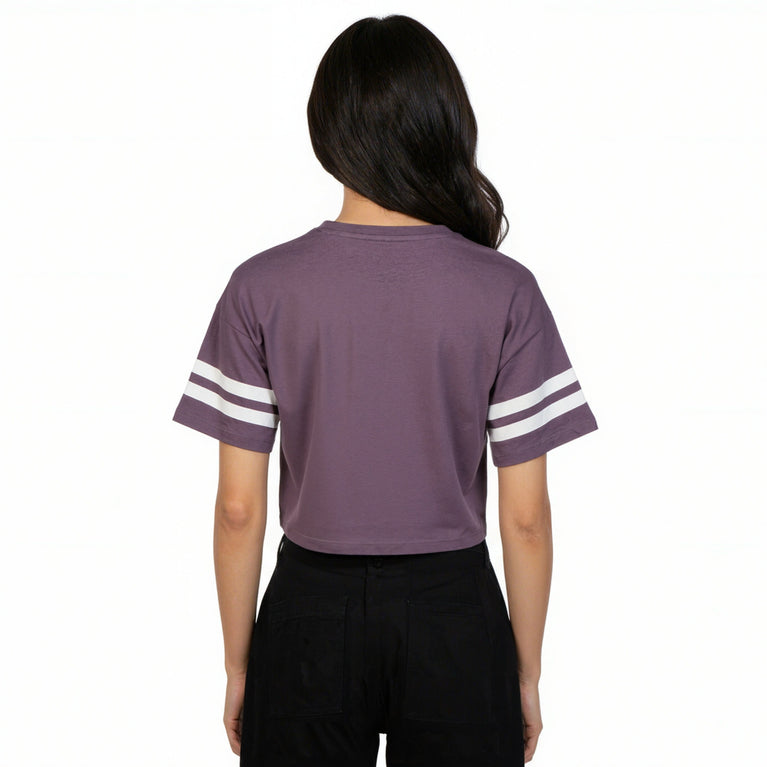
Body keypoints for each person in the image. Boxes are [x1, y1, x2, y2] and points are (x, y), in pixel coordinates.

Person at [171, 14, 598, 767]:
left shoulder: (259, 287)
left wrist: (239, 665)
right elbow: (526, 518)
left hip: (307, 613)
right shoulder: (505, 290)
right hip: (454, 616)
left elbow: (238, 509)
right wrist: (525, 674)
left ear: (326, 128)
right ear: (445, 121)